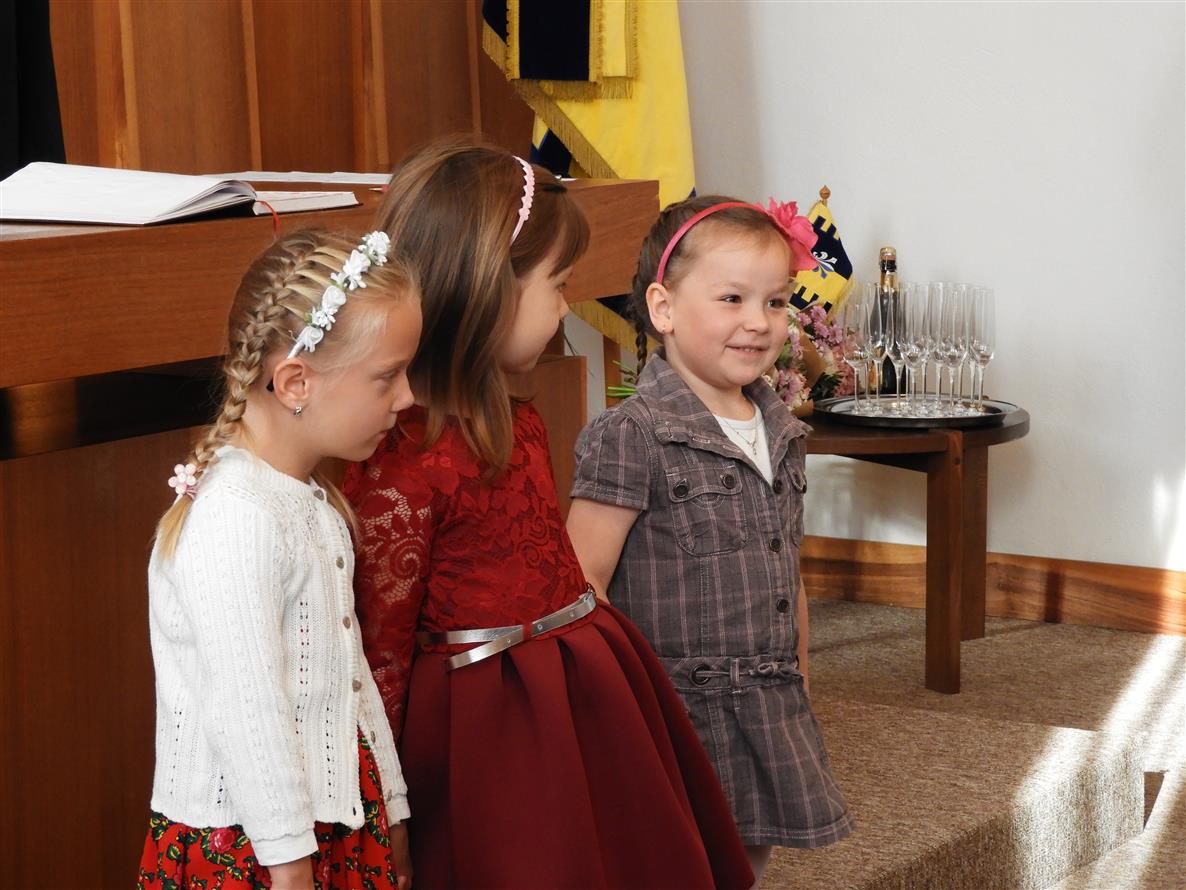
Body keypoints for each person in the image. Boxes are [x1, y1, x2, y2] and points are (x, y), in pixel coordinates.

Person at [343, 142, 753, 889]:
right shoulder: (401, 462)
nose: (566, 306)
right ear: (487, 287)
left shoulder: (518, 420)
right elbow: (381, 651)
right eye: (558, 285)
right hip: (487, 721)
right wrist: (386, 802)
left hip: (576, 684)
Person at [566, 197, 854, 885]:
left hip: (767, 695)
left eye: (776, 301)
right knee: (675, 860)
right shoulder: (630, 435)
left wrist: (801, 682)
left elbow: (787, 570)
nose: (759, 321)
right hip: (675, 707)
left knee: (748, 856)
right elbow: (582, 583)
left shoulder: (781, 430)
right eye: (732, 299)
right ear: (663, 308)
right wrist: (609, 713)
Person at [138, 229, 421, 890]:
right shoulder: (236, 515)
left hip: (330, 823)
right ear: (296, 381)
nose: (407, 396)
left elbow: (349, 680)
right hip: (256, 846)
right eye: (387, 376)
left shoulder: (308, 501)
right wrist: (291, 865)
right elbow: (248, 708)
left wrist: (393, 809)